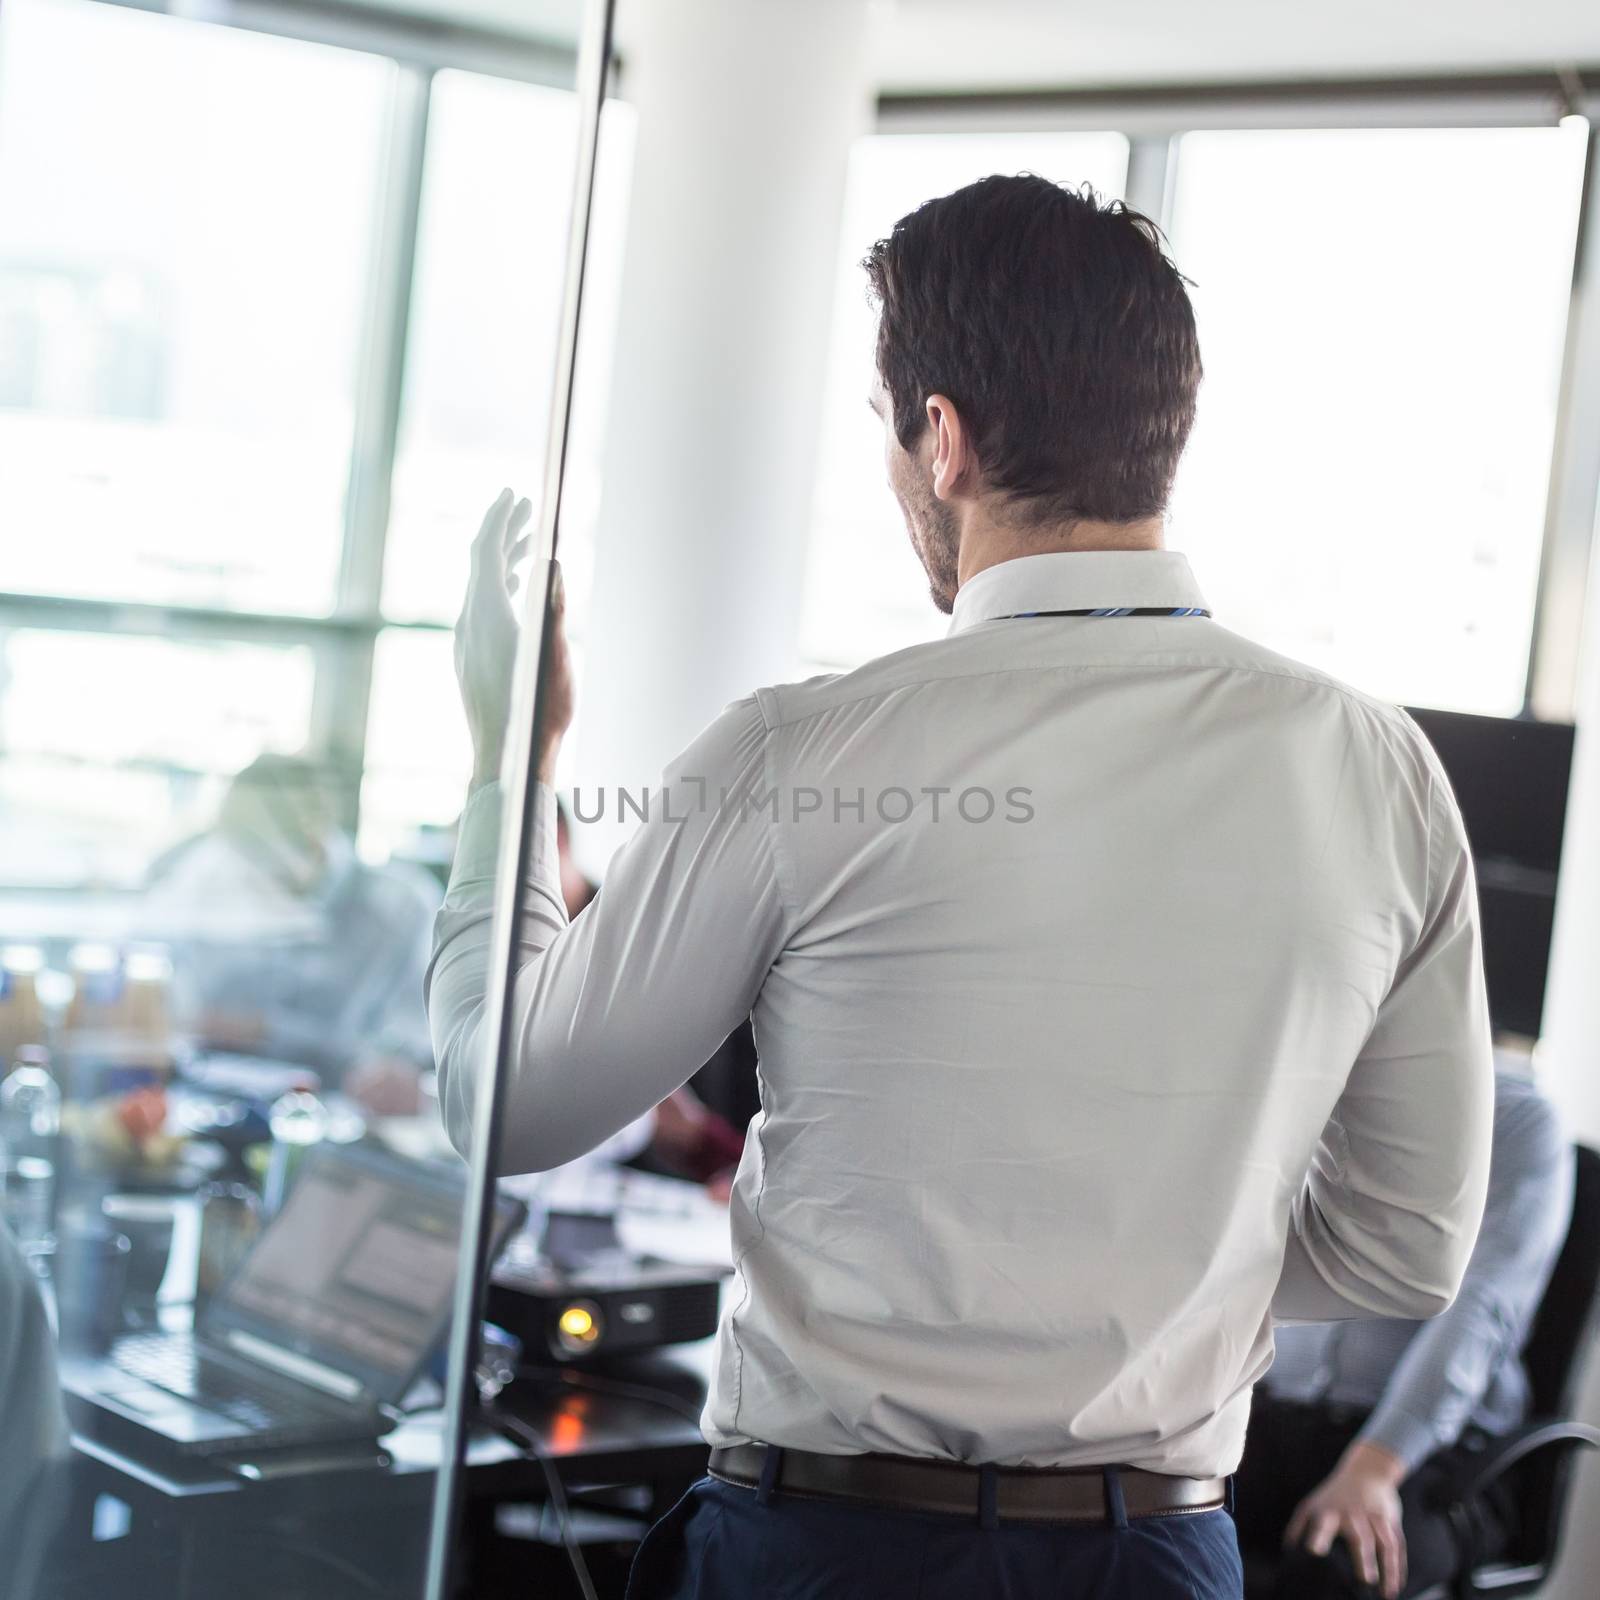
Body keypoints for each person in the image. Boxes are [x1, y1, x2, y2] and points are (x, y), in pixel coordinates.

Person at [429, 175, 1494, 1600]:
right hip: (1162, 1559)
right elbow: (1407, 1249)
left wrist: (513, 760)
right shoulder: (1380, 768)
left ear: (944, 439)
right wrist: (1146, 1284)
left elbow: (502, 1101)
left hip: (827, 1555)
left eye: (888, 430)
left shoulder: (803, 752)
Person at [1234, 1058, 1573, 1599]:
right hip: (1277, 1418)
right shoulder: (1297, 1096)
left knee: (1339, 1572)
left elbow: (1480, 1314)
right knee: (1140, 1526)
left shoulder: (1513, 1119)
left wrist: (1376, 1466)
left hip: (1429, 1454)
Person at [145, 753, 440, 1114]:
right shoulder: (214, 898)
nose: (253, 877)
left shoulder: (400, 908)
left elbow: (403, 1054)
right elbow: (173, 1016)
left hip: (342, 1123)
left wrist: (261, 1031)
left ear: (316, 829)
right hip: (214, 1110)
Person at [556, 799, 752, 1194]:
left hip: (692, 1190)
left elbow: (692, 1123)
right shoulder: (521, 955)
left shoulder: (636, 939)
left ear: (555, 841)